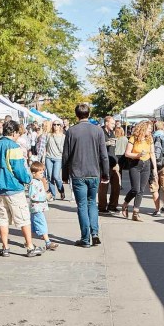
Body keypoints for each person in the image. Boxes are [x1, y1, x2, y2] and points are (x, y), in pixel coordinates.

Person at [0, 120, 42, 258]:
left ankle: (5, 247)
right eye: (18, 133)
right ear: (14, 132)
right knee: (23, 218)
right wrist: (28, 179)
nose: (19, 136)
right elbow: (19, 169)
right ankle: (30, 246)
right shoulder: (14, 147)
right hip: (13, 187)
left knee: (3, 219)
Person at [62, 103, 110, 248]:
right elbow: (104, 155)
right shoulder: (98, 131)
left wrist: (64, 175)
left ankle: (85, 238)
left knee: (82, 205)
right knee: (92, 204)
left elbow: (66, 155)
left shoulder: (71, 131)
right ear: (88, 114)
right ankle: (94, 233)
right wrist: (105, 173)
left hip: (78, 173)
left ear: (76, 115)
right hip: (94, 172)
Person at [121, 120, 155, 222]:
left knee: (141, 190)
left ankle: (135, 212)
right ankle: (125, 203)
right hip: (135, 165)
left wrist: (155, 170)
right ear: (143, 128)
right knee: (135, 189)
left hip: (147, 165)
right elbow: (127, 153)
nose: (150, 131)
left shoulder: (150, 139)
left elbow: (152, 153)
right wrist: (137, 155)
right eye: (149, 129)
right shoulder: (133, 138)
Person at [28, 161, 58, 252]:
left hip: (37, 208)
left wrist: (46, 195)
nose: (42, 174)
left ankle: (28, 241)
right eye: (40, 173)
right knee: (42, 224)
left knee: (33, 226)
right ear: (34, 173)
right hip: (37, 208)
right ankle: (47, 242)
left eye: (43, 172)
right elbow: (32, 196)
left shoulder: (38, 181)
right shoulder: (33, 183)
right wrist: (45, 196)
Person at [98, 116, 121, 213]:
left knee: (117, 185)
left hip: (113, 161)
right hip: (103, 163)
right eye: (112, 123)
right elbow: (96, 145)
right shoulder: (100, 132)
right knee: (104, 185)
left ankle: (112, 205)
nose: (114, 125)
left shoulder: (112, 132)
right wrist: (107, 143)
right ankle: (102, 207)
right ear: (106, 123)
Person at [44, 121, 66, 201]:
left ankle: (61, 190)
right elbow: (45, 147)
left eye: (58, 124)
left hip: (58, 158)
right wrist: (43, 157)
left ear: (61, 126)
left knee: (56, 176)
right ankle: (53, 195)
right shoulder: (49, 135)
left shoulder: (63, 136)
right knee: (50, 177)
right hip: (49, 158)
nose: (56, 126)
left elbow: (64, 149)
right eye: (54, 124)